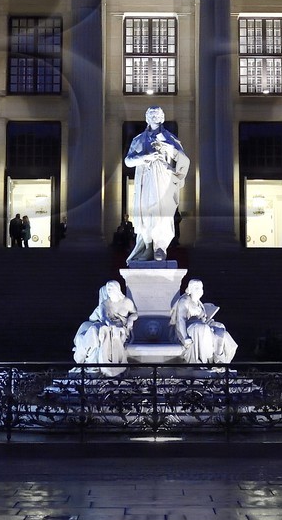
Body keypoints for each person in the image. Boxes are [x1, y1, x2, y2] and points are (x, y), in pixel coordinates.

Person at [123, 106, 190, 261]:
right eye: (152, 116)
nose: (155, 118)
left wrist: (170, 149)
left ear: (162, 118)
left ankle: (159, 247)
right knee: (145, 213)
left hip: (163, 180)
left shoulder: (170, 138)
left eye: (158, 116)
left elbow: (184, 160)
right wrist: (145, 157)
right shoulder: (139, 139)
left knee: (161, 214)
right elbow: (128, 161)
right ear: (147, 118)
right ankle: (148, 247)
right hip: (145, 181)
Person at [72, 280, 138, 376]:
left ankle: (83, 357)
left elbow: (135, 313)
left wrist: (131, 319)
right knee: (94, 329)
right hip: (107, 326)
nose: (109, 290)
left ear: (117, 289)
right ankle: (84, 359)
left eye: (111, 288)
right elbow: (103, 317)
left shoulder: (127, 302)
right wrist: (110, 323)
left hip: (121, 329)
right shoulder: (105, 303)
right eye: (108, 289)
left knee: (97, 331)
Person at [170, 279, 236, 365]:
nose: (200, 290)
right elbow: (180, 320)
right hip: (189, 329)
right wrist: (185, 337)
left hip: (201, 325)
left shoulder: (199, 302)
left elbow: (203, 318)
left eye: (201, 288)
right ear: (190, 289)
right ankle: (205, 361)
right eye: (197, 288)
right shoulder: (185, 301)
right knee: (203, 328)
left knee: (220, 328)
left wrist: (210, 321)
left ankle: (219, 359)